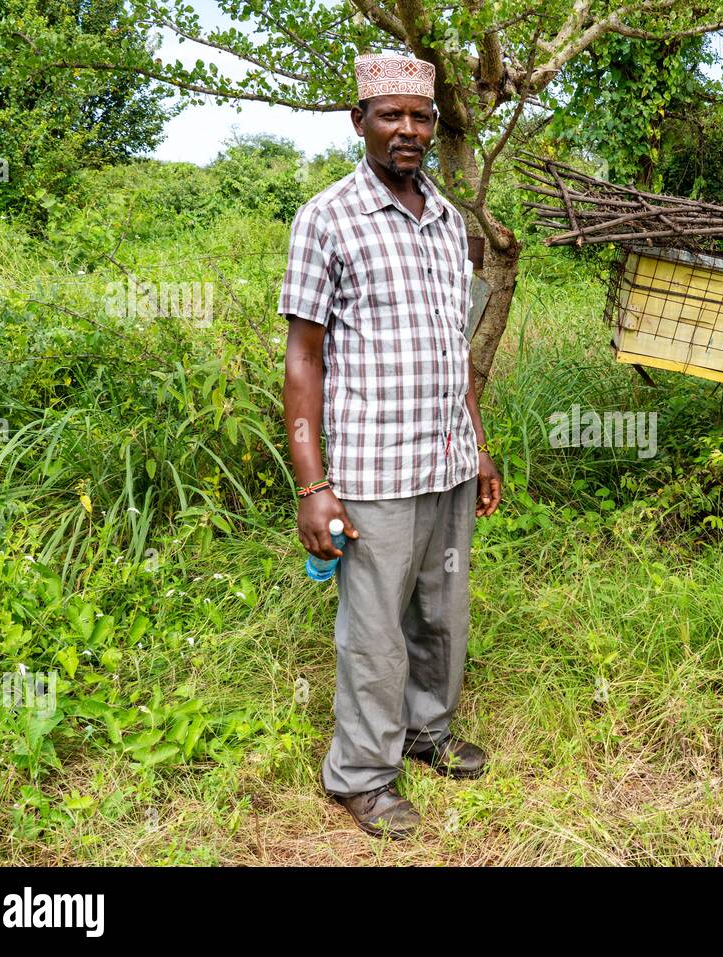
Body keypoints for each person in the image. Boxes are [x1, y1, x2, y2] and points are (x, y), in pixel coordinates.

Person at [279, 51, 502, 838]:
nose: (407, 129)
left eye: (420, 116)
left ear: (434, 125)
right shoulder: (328, 217)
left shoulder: (448, 222)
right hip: (373, 465)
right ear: (359, 122)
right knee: (373, 630)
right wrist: (314, 486)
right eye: (390, 115)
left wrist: (476, 443)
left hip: (445, 456)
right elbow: (304, 359)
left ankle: (426, 731)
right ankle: (362, 775)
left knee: (442, 611)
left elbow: (457, 347)